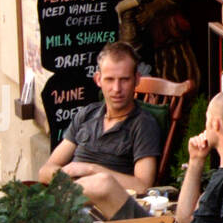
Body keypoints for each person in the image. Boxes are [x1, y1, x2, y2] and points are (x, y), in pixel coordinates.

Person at [82, 89, 223, 223]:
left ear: (215, 124)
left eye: (206, 119)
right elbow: (184, 218)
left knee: (97, 200)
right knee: (96, 200)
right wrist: (195, 161)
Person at [39, 41, 161, 195]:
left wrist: (91, 170)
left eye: (124, 79)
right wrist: (72, 183)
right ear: (98, 79)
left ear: (136, 79)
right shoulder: (86, 115)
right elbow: (45, 171)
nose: (117, 89)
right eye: (110, 79)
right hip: (69, 198)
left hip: (105, 207)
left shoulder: (143, 124)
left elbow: (142, 185)